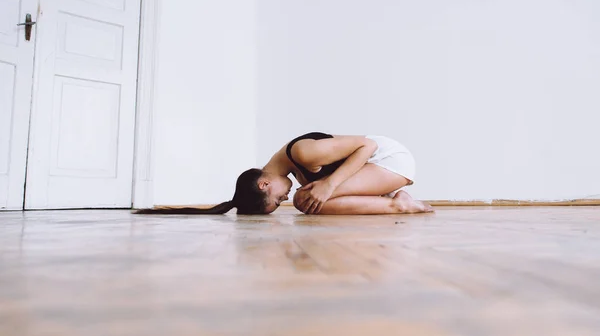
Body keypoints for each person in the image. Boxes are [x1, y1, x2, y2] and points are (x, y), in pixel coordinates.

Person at [137, 132, 434, 215]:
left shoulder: (302, 153)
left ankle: (399, 204)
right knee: (311, 199)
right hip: (376, 169)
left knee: (310, 200)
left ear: (264, 183)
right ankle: (390, 199)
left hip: (390, 158)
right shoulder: (295, 169)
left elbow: (367, 145)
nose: (285, 197)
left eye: (277, 200)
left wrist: (328, 186)